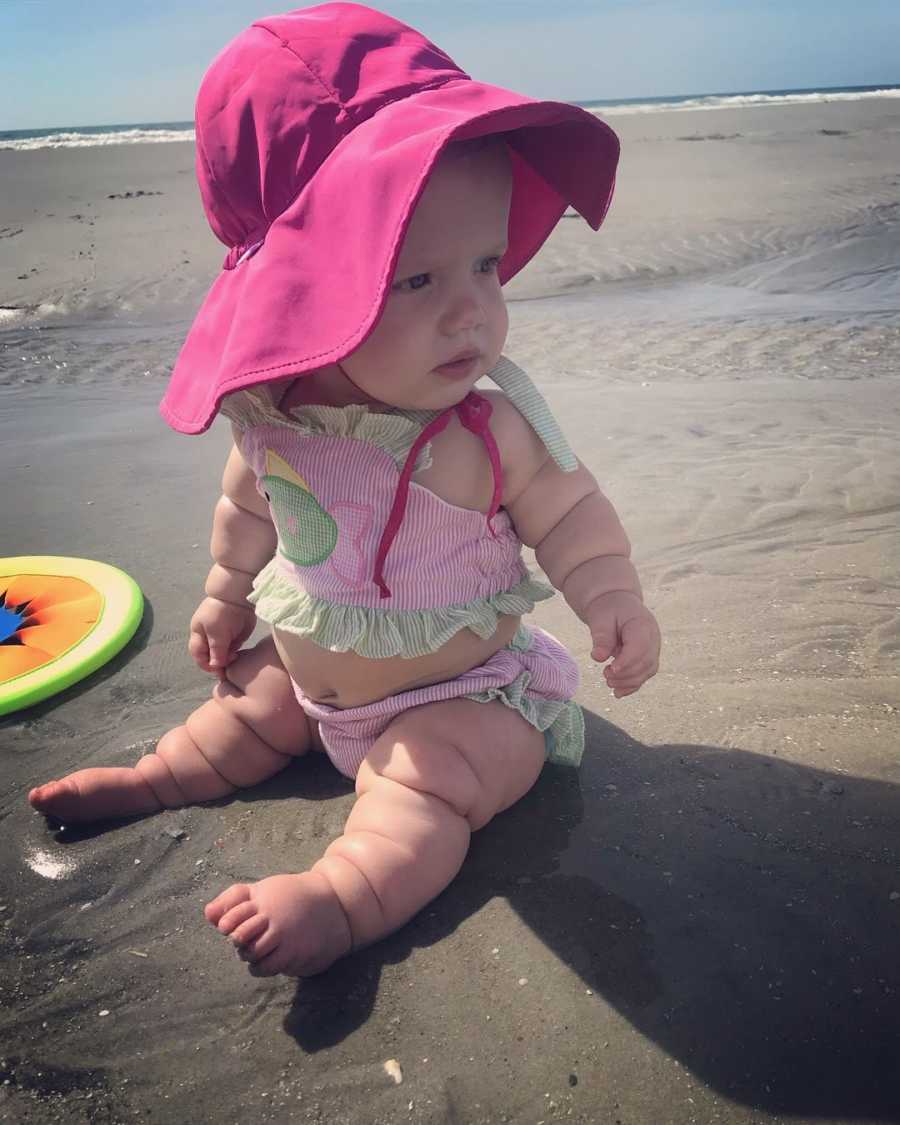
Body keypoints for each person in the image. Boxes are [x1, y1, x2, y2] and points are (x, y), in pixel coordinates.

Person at [29, 3, 661, 978]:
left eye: (486, 265)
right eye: (416, 282)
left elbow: (572, 512)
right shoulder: (271, 417)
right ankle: (155, 780)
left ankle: (341, 897)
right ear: (307, 292)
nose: (473, 311)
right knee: (246, 710)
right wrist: (222, 594)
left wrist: (611, 596)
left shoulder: (489, 431)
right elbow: (250, 508)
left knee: (424, 785)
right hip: (312, 686)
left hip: (468, 698)